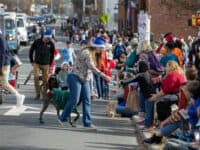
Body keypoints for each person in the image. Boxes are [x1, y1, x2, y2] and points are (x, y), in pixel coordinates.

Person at [58, 37, 112, 128]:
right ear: (97, 47)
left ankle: (87, 122)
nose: (103, 50)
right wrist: (105, 76)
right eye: (102, 48)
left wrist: (93, 87)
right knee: (75, 99)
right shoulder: (87, 52)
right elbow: (92, 68)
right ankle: (62, 118)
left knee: (87, 100)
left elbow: (90, 72)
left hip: (85, 79)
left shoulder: (95, 54)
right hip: (75, 77)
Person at [0, 29, 25, 107]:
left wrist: (0, 67)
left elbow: (3, 54)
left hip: (3, 64)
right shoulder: (2, 38)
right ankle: (18, 96)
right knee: (4, 83)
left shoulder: (1, 38)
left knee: (4, 83)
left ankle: (19, 96)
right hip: (4, 63)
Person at [29, 28, 55, 100]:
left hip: (46, 64)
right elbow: (31, 50)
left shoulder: (51, 44)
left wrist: (50, 64)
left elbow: (52, 54)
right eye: (47, 38)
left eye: (49, 38)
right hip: (37, 63)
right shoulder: (37, 42)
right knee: (36, 78)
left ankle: (45, 94)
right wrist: (31, 60)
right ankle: (37, 94)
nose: (48, 40)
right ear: (44, 36)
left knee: (45, 80)